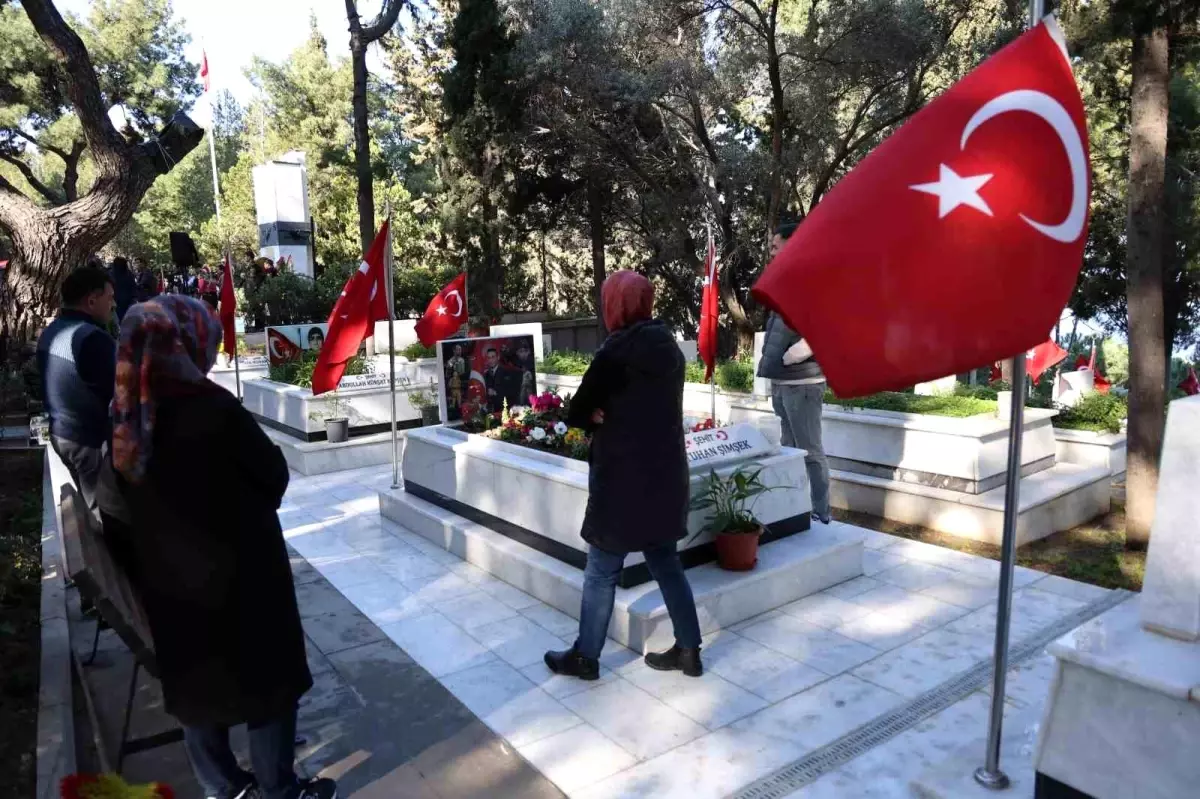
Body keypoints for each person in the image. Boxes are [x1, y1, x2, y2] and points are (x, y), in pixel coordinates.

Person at [110, 295, 336, 799]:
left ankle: (223, 786)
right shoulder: (211, 408)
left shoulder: (127, 419)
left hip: (172, 592)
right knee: (270, 684)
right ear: (185, 344)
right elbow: (272, 475)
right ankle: (279, 789)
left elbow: (123, 500)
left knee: (197, 687)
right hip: (245, 582)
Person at [544, 271, 703, 680]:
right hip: (665, 478)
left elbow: (577, 410)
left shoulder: (615, 353)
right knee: (666, 562)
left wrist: (595, 414)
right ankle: (689, 649)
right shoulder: (670, 348)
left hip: (621, 484)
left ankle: (586, 656)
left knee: (600, 571)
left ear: (615, 305)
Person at [757, 221, 831, 523]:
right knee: (788, 450)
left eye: (776, 245)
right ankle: (797, 509)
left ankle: (820, 511)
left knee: (809, 451)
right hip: (783, 381)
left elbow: (822, 329)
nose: (772, 251)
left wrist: (788, 358)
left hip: (802, 381)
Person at [36, 265, 117, 520]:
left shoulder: (51, 330)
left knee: (94, 507)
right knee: (108, 517)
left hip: (63, 435)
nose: (113, 304)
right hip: (88, 442)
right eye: (110, 297)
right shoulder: (91, 338)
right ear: (92, 300)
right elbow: (124, 391)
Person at [109, 256, 137, 321]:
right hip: (126, 302)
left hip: (116, 302)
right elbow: (133, 287)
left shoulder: (111, 274)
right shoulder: (129, 274)